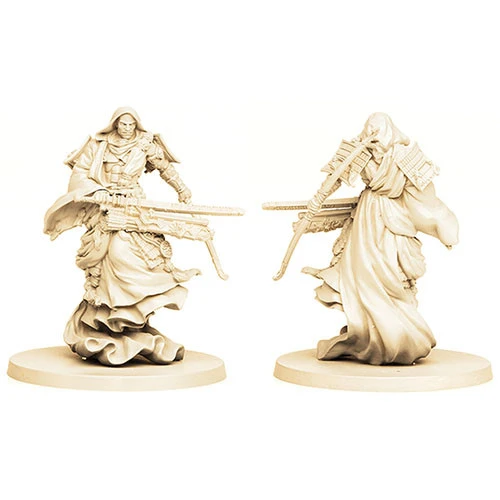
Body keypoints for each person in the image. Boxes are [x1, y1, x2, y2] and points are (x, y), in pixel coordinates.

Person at [45, 107, 200, 365]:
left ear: (136, 125)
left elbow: (165, 168)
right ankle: (104, 321)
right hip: (105, 206)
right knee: (109, 254)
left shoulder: (145, 144)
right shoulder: (99, 144)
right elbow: (80, 172)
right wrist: (96, 191)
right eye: (122, 124)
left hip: (133, 205)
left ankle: (135, 316)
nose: (127, 129)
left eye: (131, 124)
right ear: (115, 124)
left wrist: (182, 189)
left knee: (138, 255)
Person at [303, 113, 459, 365]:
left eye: (377, 130)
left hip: (394, 219)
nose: (372, 136)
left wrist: (443, 226)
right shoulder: (359, 151)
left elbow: (426, 197)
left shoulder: (405, 157)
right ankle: (367, 332)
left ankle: (401, 335)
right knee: (362, 273)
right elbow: (335, 177)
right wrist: (317, 199)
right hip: (367, 219)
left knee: (393, 275)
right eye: (369, 130)